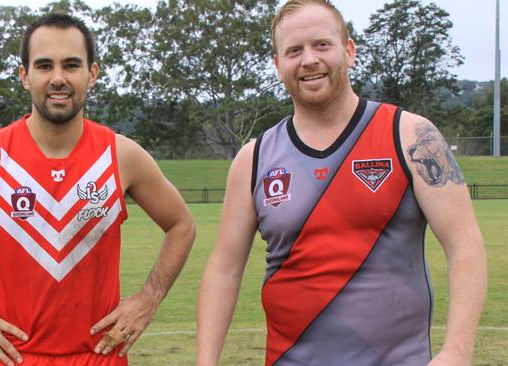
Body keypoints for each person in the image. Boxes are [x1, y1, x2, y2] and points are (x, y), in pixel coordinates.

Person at [196, 1, 487, 365]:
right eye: (294, 51)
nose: (309, 60)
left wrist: (457, 351)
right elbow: (224, 269)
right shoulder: (252, 160)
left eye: (322, 45)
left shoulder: (410, 135)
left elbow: (466, 246)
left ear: (348, 51)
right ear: (278, 65)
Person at [0, 13, 196, 366]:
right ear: (25, 76)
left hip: (100, 357)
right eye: (44, 66)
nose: (58, 78)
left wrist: (148, 299)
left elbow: (182, 224)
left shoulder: (121, 157)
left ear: (92, 73)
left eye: (71, 65)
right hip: (16, 358)